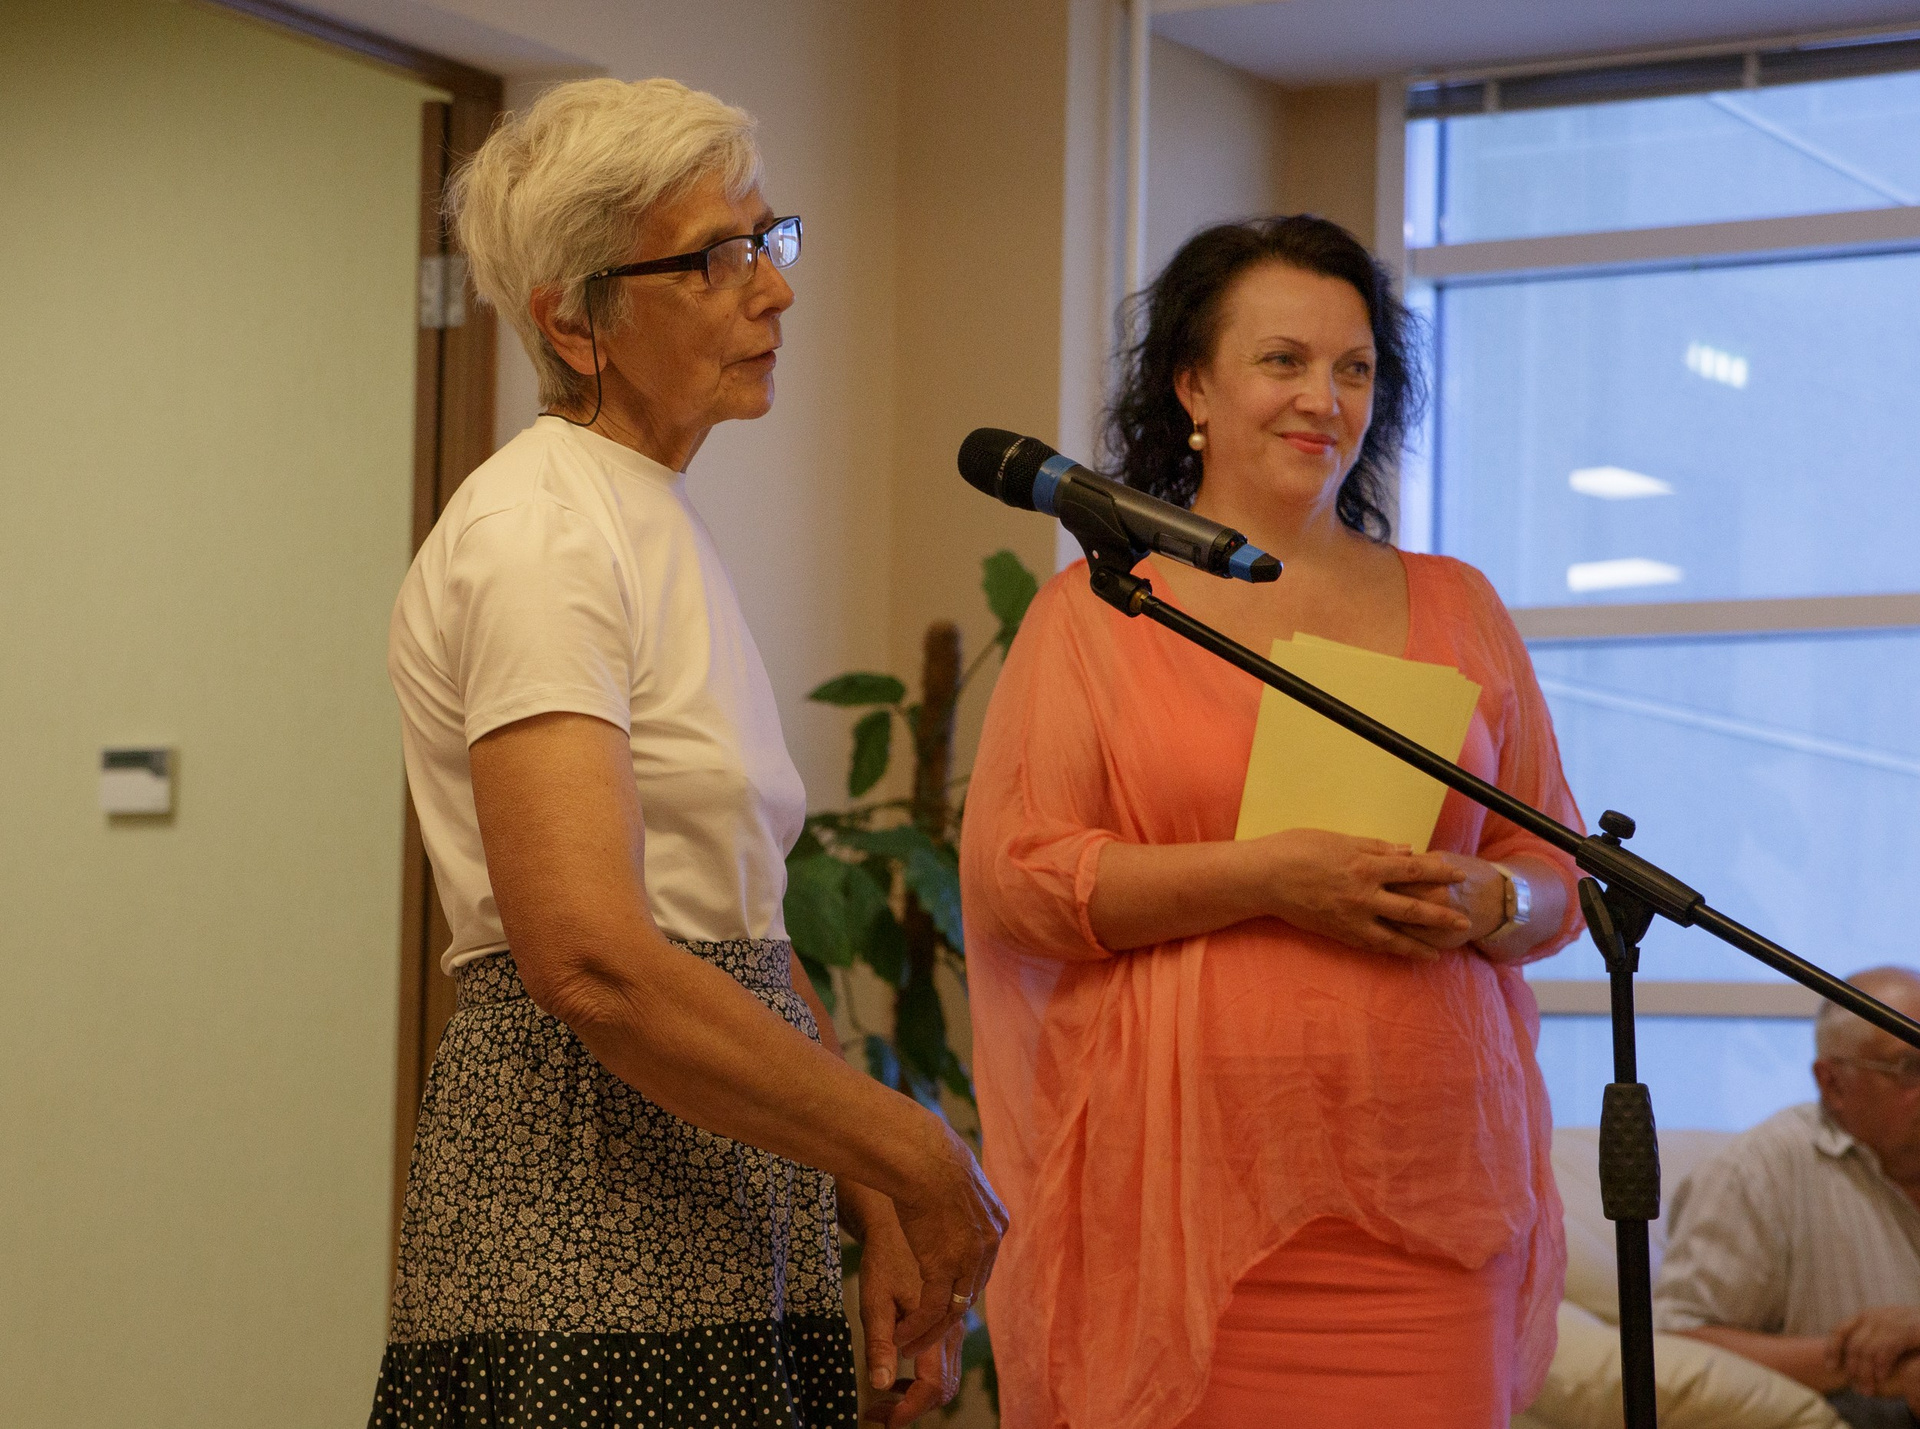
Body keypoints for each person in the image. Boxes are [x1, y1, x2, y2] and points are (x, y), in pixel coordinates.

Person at [372, 78, 1003, 1429]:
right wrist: (907, 1143)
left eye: (770, 239)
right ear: (573, 319)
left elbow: (736, 929)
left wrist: (872, 1192)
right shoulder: (539, 532)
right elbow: (589, 958)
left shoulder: (650, 514)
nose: (775, 289)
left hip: (724, 1178)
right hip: (582, 1190)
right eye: (717, 257)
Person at [959, 215, 1585, 1429]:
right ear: (1194, 385)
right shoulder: (1101, 609)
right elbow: (1021, 878)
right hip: (1181, 1196)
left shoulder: (1459, 604)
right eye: (1283, 361)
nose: (1323, 399)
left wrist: (1494, 898)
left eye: (1354, 368)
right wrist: (1269, 878)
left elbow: (1552, 867)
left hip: (1432, 1200)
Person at [1655, 967, 1920, 1429]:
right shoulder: (1754, 1173)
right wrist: (1874, 1367)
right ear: (1832, 1083)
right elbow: (1676, 1343)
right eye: (1911, 1068)